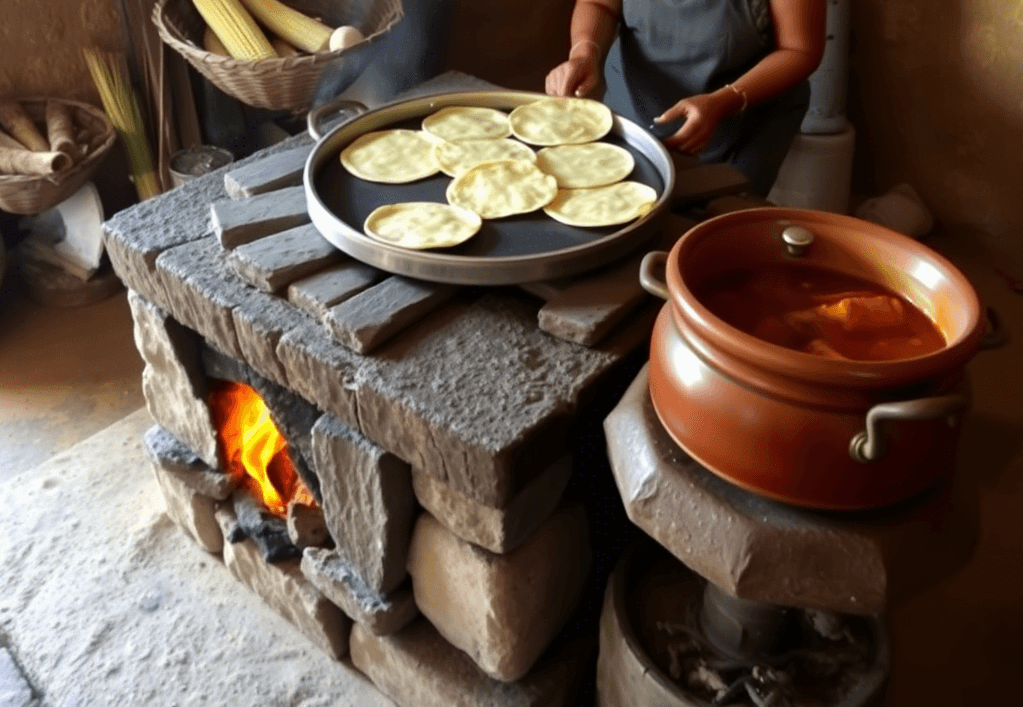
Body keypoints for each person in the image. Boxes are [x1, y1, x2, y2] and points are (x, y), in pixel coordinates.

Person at [545, 0, 826, 197]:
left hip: (744, 123)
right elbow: (600, 4)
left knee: (711, 231)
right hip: (634, 105)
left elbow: (798, 49)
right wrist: (584, 52)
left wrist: (725, 100)